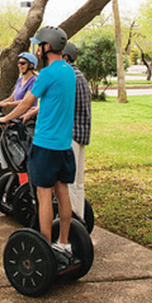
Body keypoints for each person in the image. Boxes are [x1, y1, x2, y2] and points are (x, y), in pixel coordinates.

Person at [0, 26, 77, 269]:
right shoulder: (69, 71)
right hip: (64, 145)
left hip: (44, 144)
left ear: (46, 47)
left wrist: (7, 118)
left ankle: (45, 246)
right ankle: (63, 243)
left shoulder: (47, 73)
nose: (37, 48)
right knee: (62, 192)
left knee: (43, 195)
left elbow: (28, 100)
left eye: (39, 45)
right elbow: (51, 102)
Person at [62, 42, 91, 221]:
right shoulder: (81, 76)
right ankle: (79, 219)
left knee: (69, 183)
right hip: (81, 134)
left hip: (70, 134)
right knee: (78, 183)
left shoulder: (69, 76)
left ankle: (71, 224)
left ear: (65, 57)